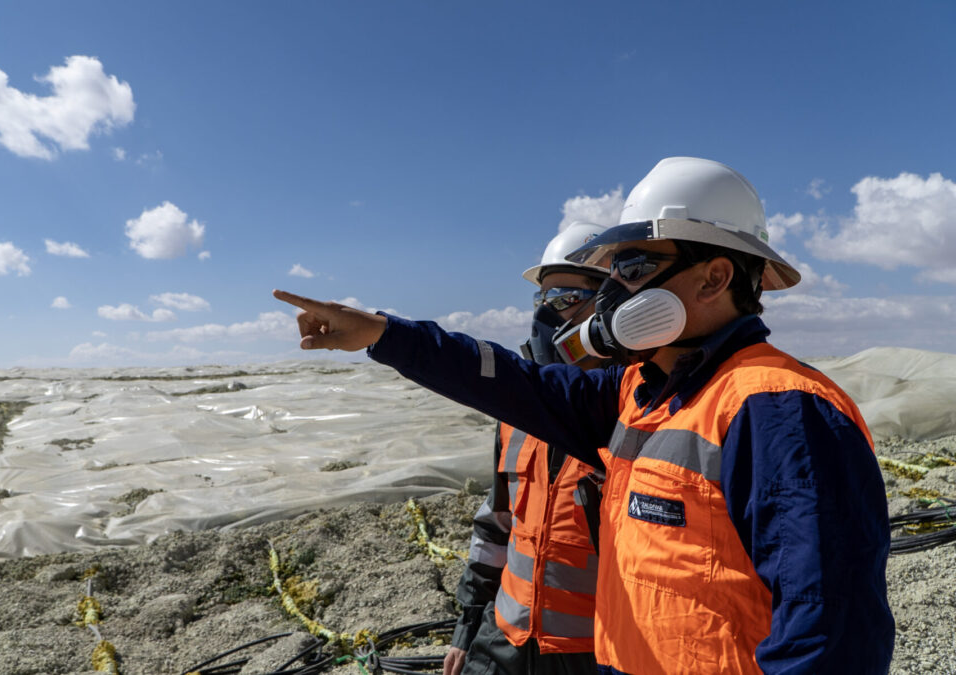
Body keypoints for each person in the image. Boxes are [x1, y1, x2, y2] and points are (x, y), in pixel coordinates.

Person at [274, 156, 895, 674]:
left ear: (714, 277)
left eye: (632, 267)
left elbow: (829, 632)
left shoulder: (779, 409)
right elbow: (512, 382)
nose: (612, 294)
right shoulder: (638, 392)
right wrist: (383, 334)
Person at [446, 222, 608, 675]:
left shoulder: (637, 412)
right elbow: (496, 528)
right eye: (541, 300)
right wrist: (467, 629)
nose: (545, 316)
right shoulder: (515, 414)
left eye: (564, 300)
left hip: (593, 651)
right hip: (504, 639)